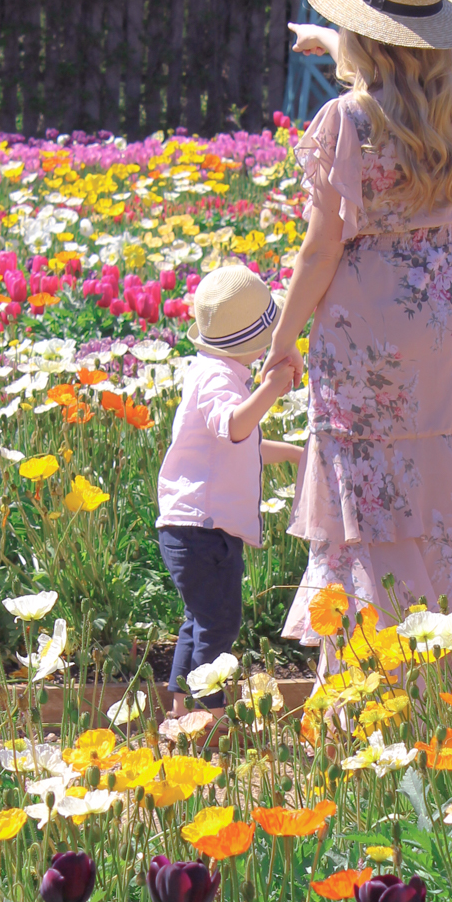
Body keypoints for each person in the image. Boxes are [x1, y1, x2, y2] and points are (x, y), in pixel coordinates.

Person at [262, 0, 452, 666]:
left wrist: (281, 336)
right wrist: (329, 41)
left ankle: (366, 673)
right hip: (439, 307)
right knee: (436, 469)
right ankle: (444, 656)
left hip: (366, 317)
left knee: (365, 483)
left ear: (362, 35)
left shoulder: (348, 118)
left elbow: (321, 247)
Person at [156, 266, 302, 714]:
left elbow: (248, 443)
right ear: (257, 341)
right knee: (219, 624)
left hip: (189, 526)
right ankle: (210, 713)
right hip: (204, 530)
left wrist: (298, 454)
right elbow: (237, 427)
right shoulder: (219, 379)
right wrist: (273, 388)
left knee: (198, 622)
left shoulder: (214, 371)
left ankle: (181, 709)